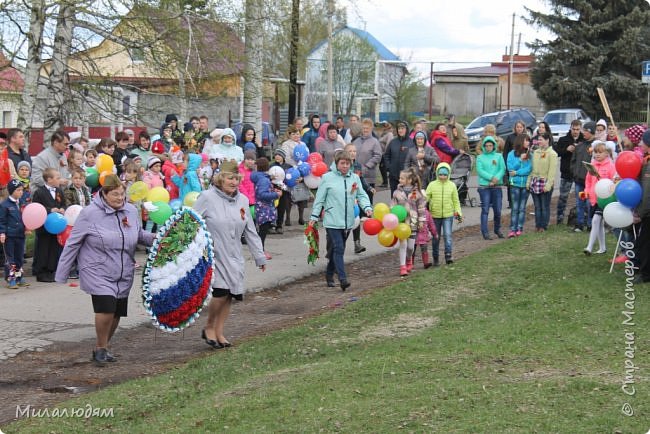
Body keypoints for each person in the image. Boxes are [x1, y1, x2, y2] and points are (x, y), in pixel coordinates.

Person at [55, 174, 154, 365]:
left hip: (123, 269)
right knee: (106, 308)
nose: (119, 198)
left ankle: (103, 346)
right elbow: (73, 243)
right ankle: (100, 348)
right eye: (115, 195)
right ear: (104, 194)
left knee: (117, 311)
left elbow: (138, 234)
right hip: (97, 268)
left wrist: (157, 238)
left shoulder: (131, 211)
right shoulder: (90, 213)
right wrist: (62, 272)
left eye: (122, 194)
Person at [194, 161, 267, 348]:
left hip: (234, 254)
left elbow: (250, 230)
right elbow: (191, 223)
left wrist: (259, 256)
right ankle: (209, 326)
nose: (233, 182)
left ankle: (219, 332)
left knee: (230, 295)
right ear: (220, 178)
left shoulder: (242, 200)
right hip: (214, 254)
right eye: (229, 178)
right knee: (220, 292)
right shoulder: (207, 197)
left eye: (236, 178)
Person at [310, 150, 373, 290]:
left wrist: (367, 207)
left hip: (348, 220)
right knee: (338, 248)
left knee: (337, 249)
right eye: (342, 163)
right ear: (336, 163)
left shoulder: (354, 178)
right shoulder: (327, 178)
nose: (345, 166)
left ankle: (329, 273)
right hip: (332, 219)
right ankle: (343, 279)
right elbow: (319, 200)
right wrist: (314, 217)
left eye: (347, 163)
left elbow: (361, 195)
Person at [32, 168, 66, 282]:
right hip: (44, 226)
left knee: (53, 248)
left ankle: (51, 270)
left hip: (56, 225)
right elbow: (36, 207)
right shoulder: (39, 192)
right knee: (43, 248)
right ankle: (41, 272)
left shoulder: (59, 191)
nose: (59, 180)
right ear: (49, 179)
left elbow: (64, 204)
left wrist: (62, 209)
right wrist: (50, 209)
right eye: (57, 178)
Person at [582, 142, 616, 255]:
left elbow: (614, 181)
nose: (597, 155)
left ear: (606, 153)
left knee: (595, 220)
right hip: (593, 198)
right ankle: (602, 248)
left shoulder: (611, 166)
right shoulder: (592, 165)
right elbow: (588, 180)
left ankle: (589, 247)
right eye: (595, 152)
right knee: (599, 223)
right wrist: (586, 190)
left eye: (600, 152)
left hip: (605, 199)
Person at [391, 168, 427, 276]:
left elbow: (421, 208)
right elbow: (392, 205)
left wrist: (421, 221)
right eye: (400, 178)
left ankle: (408, 260)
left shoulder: (417, 193)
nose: (399, 179)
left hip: (413, 223)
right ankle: (402, 267)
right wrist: (391, 213)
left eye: (402, 178)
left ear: (410, 180)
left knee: (411, 247)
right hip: (401, 223)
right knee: (403, 245)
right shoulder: (396, 192)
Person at [425, 163, 462, 265]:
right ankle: (435, 257)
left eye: (445, 175)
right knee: (436, 237)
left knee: (447, 235)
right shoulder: (432, 185)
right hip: (435, 216)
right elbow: (426, 198)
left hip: (448, 215)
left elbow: (456, 201)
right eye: (440, 174)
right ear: (437, 173)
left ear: (448, 174)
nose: (442, 177)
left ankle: (448, 255)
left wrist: (458, 213)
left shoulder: (452, 185)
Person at [0, 179, 30, 288]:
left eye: (22, 190)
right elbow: (1, 220)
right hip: (10, 235)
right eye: (18, 190)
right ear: (12, 191)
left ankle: (19, 277)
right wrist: (2, 233)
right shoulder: (5, 205)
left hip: (20, 234)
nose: (21, 192)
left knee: (19, 257)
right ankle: (10, 279)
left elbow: (26, 217)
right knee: (10, 258)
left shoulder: (22, 203)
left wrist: (27, 227)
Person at [345, 143, 374, 254]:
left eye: (354, 151)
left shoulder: (357, 165)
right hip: (345, 196)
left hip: (356, 195)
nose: (353, 153)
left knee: (356, 218)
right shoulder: (342, 165)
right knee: (347, 221)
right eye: (350, 151)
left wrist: (369, 187)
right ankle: (340, 243)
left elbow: (360, 179)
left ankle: (357, 244)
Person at [476, 136, 506, 240]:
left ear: (494, 146)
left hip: (497, 187)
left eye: (490, 145)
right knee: (485, 210)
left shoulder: (499, 156)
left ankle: (497, 229)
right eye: (487, 146)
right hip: (484, 187)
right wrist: (491, 178)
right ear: (484, 146)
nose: (488, 147)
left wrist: (496, 178)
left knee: (497, 210)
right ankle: (485, 232)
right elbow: (480, 170)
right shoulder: (480, 157)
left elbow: (502, 169)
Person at [251, 157, 281, 259]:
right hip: (265, 209)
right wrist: (276, 195)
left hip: (261, 208)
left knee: (262, 231)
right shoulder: (264, 179)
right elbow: (262, 194)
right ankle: (260, 251)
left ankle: (260, 250)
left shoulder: (260, 178)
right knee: (262, 232)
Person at [527, 132, 558, 232]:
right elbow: (532, 169)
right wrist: (528, 182)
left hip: (545, 182)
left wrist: (548, 185)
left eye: (541, 139)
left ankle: (543, 226)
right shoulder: (535, 153)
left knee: (544, 206)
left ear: (547, 140)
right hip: (535, 182)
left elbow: (552, 172)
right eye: (538, 140)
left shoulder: (552, 154)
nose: (539, 142)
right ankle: (537, 225)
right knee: (537, 206)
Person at [554, 119, 582, 225]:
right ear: (570, 128)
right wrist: (566, 150)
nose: (575, 131)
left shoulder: (583, 139)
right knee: (563, 197)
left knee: (579, 197)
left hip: (579, 173)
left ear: (580, 129)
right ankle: (559, 219)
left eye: (577, 129)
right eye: (573, 129)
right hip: (566, 172)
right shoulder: (563, 139)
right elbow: (557, 152)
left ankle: (579, 219)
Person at [571, 121, 596, 232]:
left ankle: (590, 224)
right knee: (579, 202)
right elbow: (573, 161)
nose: (583, 132)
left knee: (589, 203)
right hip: (579, 181)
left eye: (586, 130)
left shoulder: (596, 146)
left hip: (590, 182)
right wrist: (575, 172)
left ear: (591, 132)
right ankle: (579, 224)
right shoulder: (580, 146)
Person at [506, 134, 532, 237]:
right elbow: (510, 168)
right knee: (515, 208)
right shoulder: (511, 154)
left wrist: (517, 173)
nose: (528, 143)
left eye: (529, 141)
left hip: (525, 185)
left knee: (522, 208)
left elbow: (529, 169)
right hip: (515, 185)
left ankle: (519, 228)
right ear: (521, 141)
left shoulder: (530, 155)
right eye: (526, 141)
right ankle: (512, 229)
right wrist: (520, 160)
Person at [352, 118, 383, 203]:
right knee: (356, 201)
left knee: (367, 201)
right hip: (356, 175)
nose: (365, 130)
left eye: (367, 128)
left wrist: (367, 166)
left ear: (371, 129)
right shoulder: (356, 141)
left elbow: (378, 156)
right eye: (363, 128)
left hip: (368, 176)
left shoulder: (375, 142)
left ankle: (367, 216)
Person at [384, 121, 414, 196]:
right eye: (399, 128)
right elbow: (386, 155)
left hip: (407, 177)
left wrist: (411, 171)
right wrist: (389, 167)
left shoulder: (412, 142)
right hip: (393, 176)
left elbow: (414, 158)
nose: (400, 130)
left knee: (406, 198)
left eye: (402, 128)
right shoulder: (393, 142)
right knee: (394, 196)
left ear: (407, 129)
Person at [271, 149, 292, 234]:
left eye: (279, 155)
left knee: (282, 208)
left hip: (284, 191)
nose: (277, 157)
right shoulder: (271, 166)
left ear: (283, 157)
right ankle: (271, 225)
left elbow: (293, 177)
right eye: (276, 155)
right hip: (273, 190)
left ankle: (279, 226)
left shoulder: (288, 166)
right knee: (272, 208)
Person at [378, 121, 394, 187]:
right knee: (382, 167)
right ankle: (384, 182)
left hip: (385, 153)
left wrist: (385, 153)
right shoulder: (383, 134)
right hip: (381, 153)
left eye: (384, 126)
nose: (382, 128)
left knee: (383, 167)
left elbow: (389, 144)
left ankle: (386, 183)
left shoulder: (389, 134)